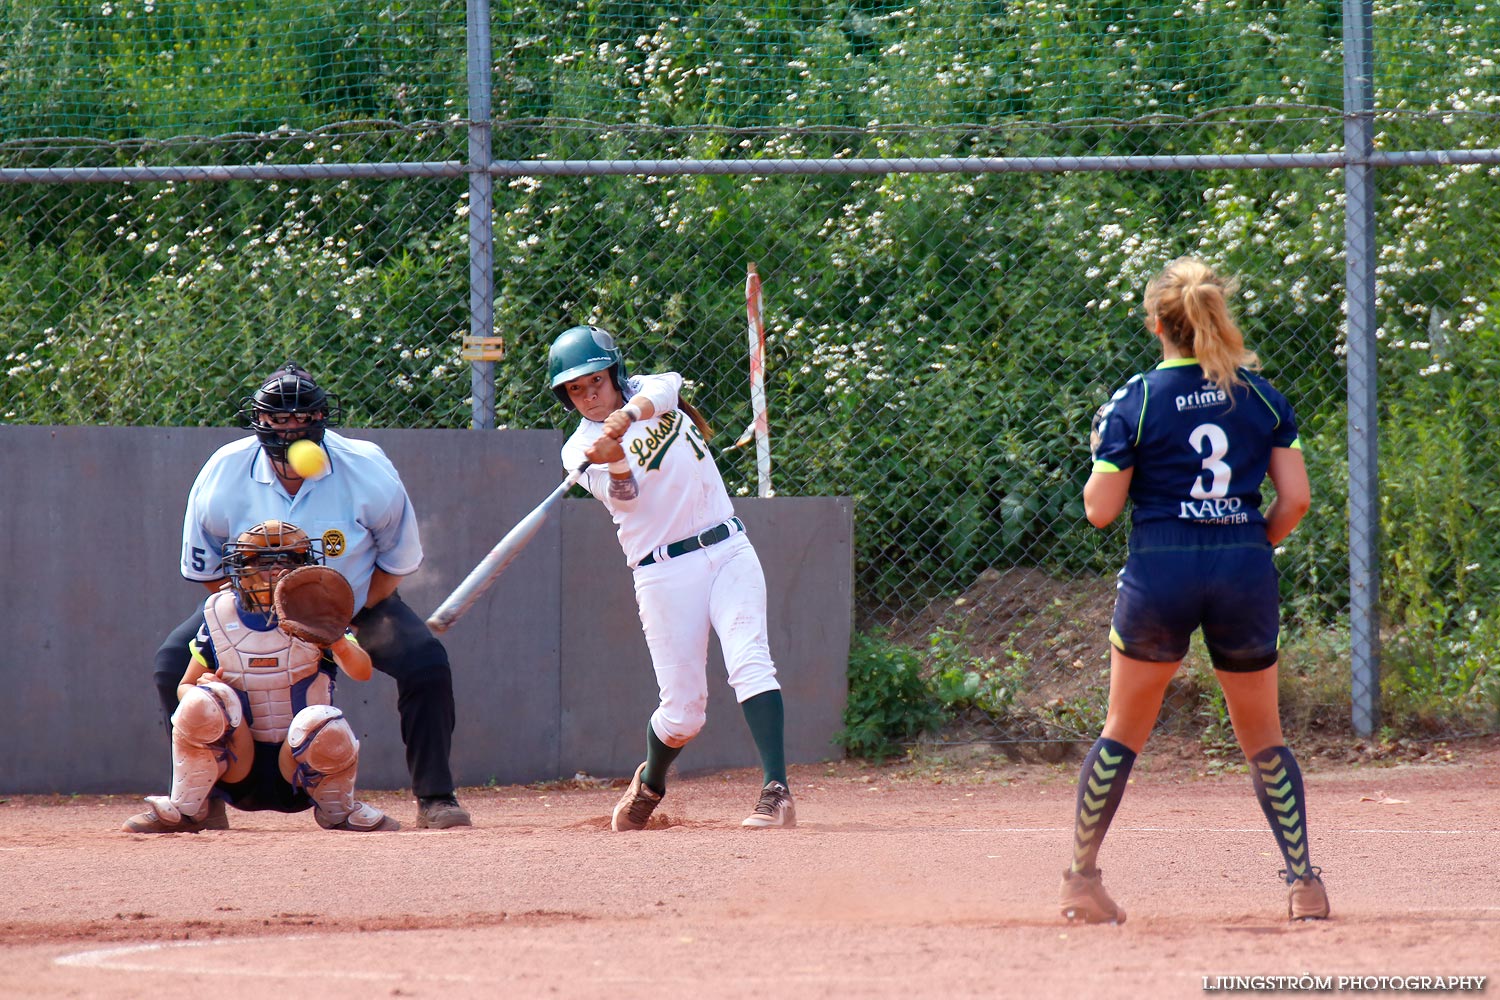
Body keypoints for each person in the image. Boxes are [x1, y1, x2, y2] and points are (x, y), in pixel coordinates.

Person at [1059, 257, 1326, 923]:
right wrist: (1245, 545)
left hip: (1162, 568)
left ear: (1158, 325)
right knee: (1263, 732)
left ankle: (1081, 881)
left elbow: (1099, 509)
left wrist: (1103, 453)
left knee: (1122, 729)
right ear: (1215, 318)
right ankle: (1303, 885)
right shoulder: (1260, 395)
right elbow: (1294, 500)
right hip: (1241, 566)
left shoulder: (1137, 399)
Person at [150, 362, 470, 830]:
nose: (291, 429)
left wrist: (333, 620)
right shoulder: (224, 472)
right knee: (170, 666)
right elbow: (210, 572)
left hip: (350, 603)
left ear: (321, 420)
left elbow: (395, 565)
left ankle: (436, 798)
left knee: (426, 665)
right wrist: (250, 621)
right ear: (260, 423)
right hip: (250, 605)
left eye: (302, 419)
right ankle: (201, 800)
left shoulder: (366, 468)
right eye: (279, 420)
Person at [546, 323, 796, 830]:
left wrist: (625, 419)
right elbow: (626, 500)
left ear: (614, 373)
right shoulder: (578, 452)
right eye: (575, 389)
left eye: (595, 381)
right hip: (663, 572)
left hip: (727, 548)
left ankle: (777, 790)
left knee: (750, 662)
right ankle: (652, 782)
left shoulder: (648, 390)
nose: (589, 396)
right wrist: (614, 463)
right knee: (683, 714)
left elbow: (664, 390)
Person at [125, 520, 398, 833]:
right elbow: (184, 686)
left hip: (299, 772)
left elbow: (361, 672)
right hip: (238, 765)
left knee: (323, 721)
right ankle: (187, 809)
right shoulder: (219, 615)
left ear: (303, 567)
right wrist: (206, 688)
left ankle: (340, 810)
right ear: (241, 569)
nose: (275, 571)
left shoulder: (318, 615)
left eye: (287, 561)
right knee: (205, 701)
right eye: (262, 562)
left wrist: (336, 639)